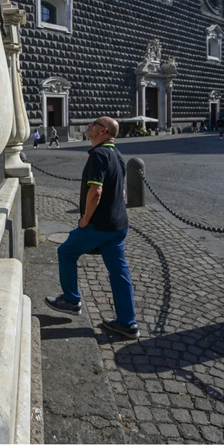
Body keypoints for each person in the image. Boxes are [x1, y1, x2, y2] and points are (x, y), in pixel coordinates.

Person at [45, 116, 139, 339]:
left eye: (94, 123)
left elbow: (95, 191)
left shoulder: (99, 154)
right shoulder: (118, 154)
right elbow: (121, 190)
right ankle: (128, 323)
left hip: (100, 225)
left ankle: (71, 299)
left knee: (65, 252)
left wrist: (85, 219)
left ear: (104, 131)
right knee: (119, 272)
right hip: (119, 224)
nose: (89, 126)